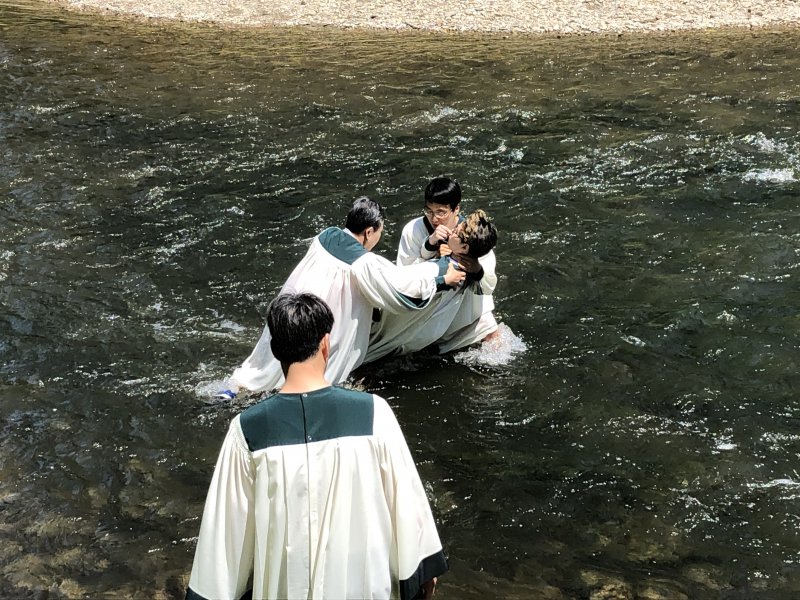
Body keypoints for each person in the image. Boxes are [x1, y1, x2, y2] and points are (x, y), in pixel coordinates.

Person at [187, 293, 448, 600]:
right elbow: (406, 505)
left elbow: (225, 537)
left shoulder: (248, 430)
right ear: (326, 343)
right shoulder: (373, 413)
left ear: (275, 350)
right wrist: (420, 573)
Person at [218, 196, 464, 398]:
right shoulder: (364, 262)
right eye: (379, 232)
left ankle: (233, 389)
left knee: (269, 361)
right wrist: (443, 276)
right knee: (312, 362)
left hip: (293, 307)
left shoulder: (326, 236)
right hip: (322, 318)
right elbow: (400, 289)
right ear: (369, 231)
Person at [367, 208, 498, 361]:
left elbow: (398, 286)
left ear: (464, 247)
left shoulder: (439, 270)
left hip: (403, 329)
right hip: (440, 326)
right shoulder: (471, 270)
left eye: (456, 232)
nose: (451, 231)